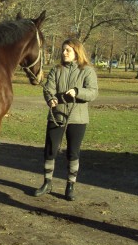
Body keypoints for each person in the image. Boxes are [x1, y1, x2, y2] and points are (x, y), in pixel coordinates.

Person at [34, 38, 98, 200]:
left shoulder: (88, 71)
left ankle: (70, 186)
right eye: (63, 50)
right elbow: (49, 89)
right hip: (56, 116)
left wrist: (78, 91)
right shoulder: (57, 70)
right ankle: (47, 183)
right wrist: (51, 99)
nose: (64, 53)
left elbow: (92, 92)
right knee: (50, 150)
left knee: (73, 152)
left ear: (77, 51)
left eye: (67, 50)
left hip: (78, 119)